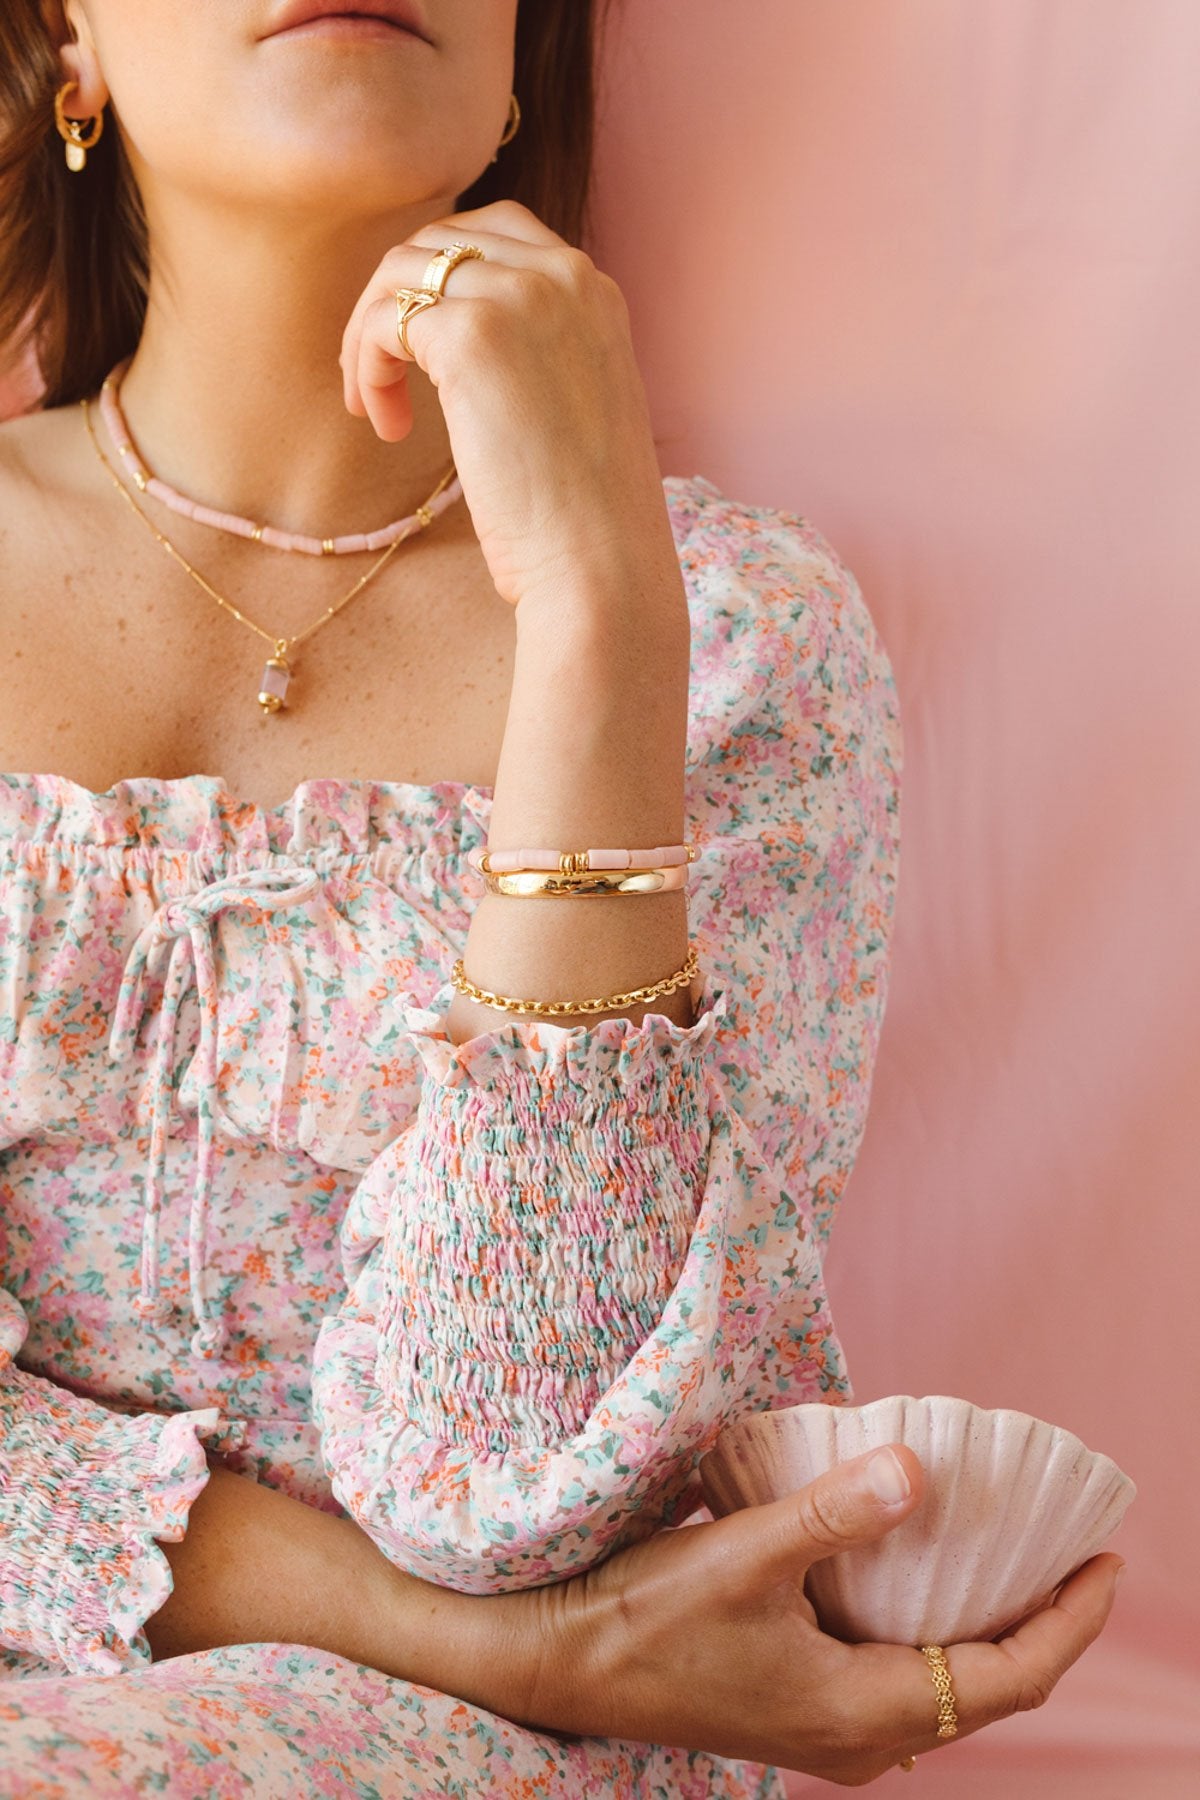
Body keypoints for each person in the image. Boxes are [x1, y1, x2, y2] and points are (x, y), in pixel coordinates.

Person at [0, 1, 1123, 1792]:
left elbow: (509, 1485)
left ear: (524, 64)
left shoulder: (740, 643)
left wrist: (597, 614)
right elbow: (516, 1611)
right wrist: (512, 1644)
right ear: (67, 37)